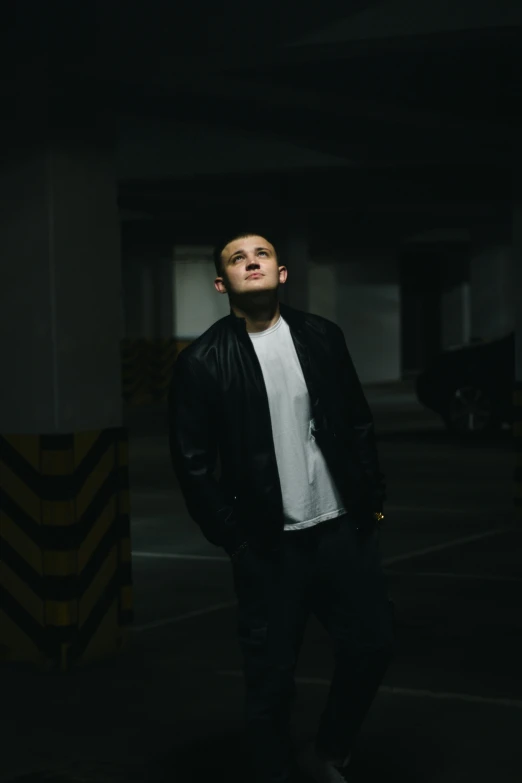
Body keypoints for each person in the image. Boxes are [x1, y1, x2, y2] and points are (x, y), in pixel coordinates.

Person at [168, 231, 395, 783]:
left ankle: (328, 752)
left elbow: (358, 424)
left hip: (340, 531)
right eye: (238, 259)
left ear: (282, 273)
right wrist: (237, 541)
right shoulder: (202, 361)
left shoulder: (321, 337)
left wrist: (369, 500)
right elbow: (193, 465)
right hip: (270, 546)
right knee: (271, 680)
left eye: (262, 254)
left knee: (371, 646)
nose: (252, 263)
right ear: (223, 283)